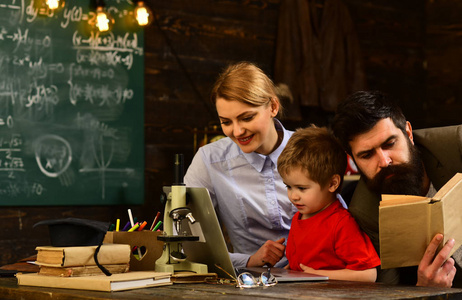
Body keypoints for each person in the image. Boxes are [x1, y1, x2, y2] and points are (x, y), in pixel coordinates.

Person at [331, 90, 462, 287]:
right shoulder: (366, 214)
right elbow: (388, 290)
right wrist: (425, 291)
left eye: (390, 143)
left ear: (408, 132)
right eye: (367, 155)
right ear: (353, 159)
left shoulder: (456, 145)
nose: (384, 161)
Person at [184, 62, 297, 269]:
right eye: (226, 122)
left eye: (246, 118)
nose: (237, 132)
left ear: (273, 106)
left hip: (314, 277)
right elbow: (189, 242)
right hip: (248, 281)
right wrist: (248, 261)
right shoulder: (209, 161)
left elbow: (337, 220)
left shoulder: (309, 149)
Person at [277, 126, 380, 282]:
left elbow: (368, 275)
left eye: (302, 188)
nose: (293, 196)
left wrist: (316, 275)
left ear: (332, 183)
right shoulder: (299, 218)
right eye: (289, 187)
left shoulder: (341, 224)